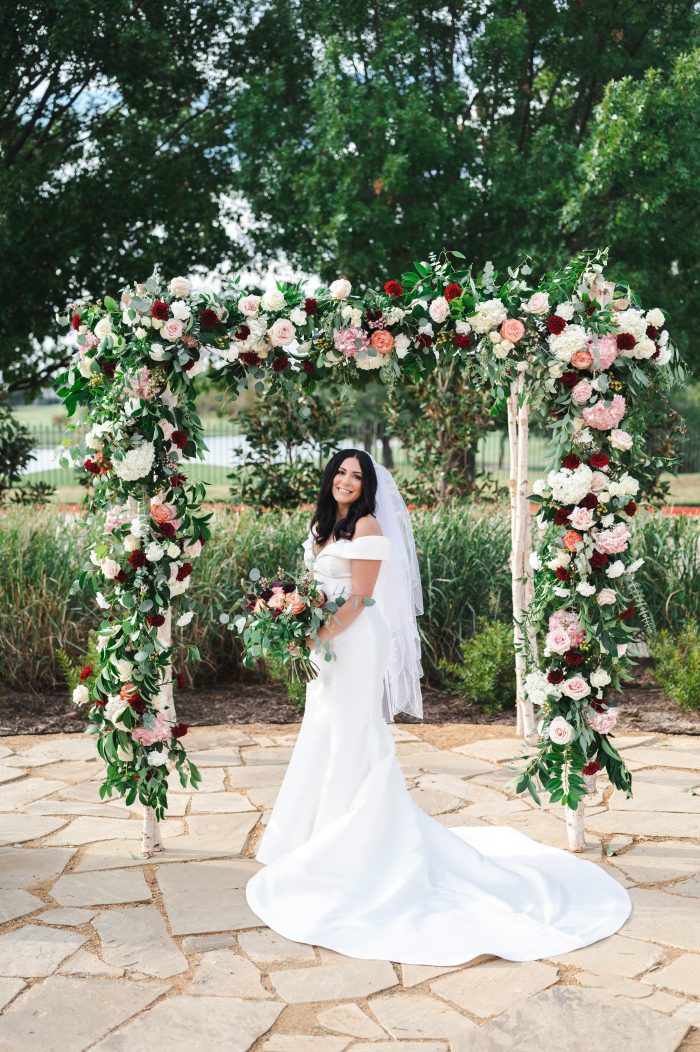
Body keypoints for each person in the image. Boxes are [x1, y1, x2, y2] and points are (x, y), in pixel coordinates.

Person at [244, 448, 632, 966]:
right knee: (323, 727)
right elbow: (316, 589)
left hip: (354, 640)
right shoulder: (322, 527)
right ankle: (318, 835)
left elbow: (360, 600)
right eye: (341, 472)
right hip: (327, 642)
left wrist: (315, 635)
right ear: (330, 477)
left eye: (356, 476)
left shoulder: (369, 529)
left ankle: (350, 846)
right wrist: (294, 622)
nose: (346, 481)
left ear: (367, 486)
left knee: (353, 730)